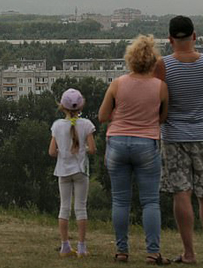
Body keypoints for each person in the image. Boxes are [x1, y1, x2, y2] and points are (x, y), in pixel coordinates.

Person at [154, 15, 203, 265]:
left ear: (170, 39)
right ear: (194, 36)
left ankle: (189, 253)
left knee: (181, 193)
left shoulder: (162, 66)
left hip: (174, 137)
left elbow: (159, 99)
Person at [98, 35, 170, 265]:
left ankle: (121, 251)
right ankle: (152, 252)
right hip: (146, 144)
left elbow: (102, 116)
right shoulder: (161, 87)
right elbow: (163, 117)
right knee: (150, 201)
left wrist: (120, 117)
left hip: (117, 143)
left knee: (120, 201)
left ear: (130, 59)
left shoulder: (118, 83)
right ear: (153, 61)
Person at [49, 88, 96, 258]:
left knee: (64, 208)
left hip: (63, 171)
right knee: (81, 208)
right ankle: (82, 247)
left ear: (62, 106)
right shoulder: (87, 125)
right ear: (80, 106)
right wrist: (82, 148)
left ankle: (65, 246)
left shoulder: (57, 126)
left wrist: (63, 151)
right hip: (81, 170)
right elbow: (92, 150)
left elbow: (52, 152)